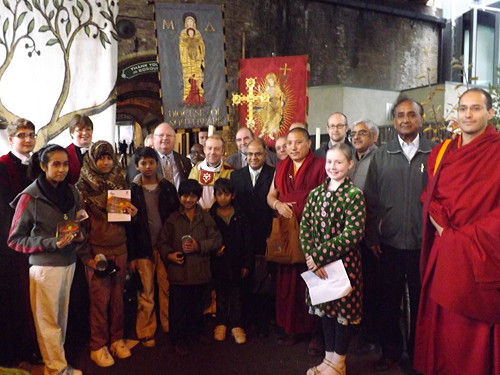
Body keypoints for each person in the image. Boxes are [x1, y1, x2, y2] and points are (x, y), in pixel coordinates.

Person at [414, 88, 500, 375]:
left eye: (476, 108)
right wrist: (442, 227)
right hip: (446, 249)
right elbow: (431, 195)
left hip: (480, 252)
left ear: (490, 113)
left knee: (472, 330)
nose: (468, 114)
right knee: (444, 322)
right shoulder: (442, 152)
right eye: (463, 108)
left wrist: (463, 237)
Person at [363, 98, 435, 371]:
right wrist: (372, 236)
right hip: (388, 243)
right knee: (388, 302)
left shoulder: (435, 153)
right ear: (393, 121)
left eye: (411, 114)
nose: (406, 119)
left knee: (421, 304)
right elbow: (370, 198)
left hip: (423, 244)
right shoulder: (382, 154)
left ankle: (419, 355)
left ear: (421, 118)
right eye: (400, 115)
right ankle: (391, 350)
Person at [8, 144, 88, 375]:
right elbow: (15, 239)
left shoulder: (72, 192)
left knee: (61, 319)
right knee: (47, 322)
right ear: (43, 166)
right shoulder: (30, 196)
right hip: (44, 267)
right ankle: (56, 369)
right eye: (55, 164)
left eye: (65, 164)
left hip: (69, 262)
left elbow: (77, 221)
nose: (61, 169)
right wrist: (51, 243)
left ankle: (58, 365)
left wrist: (79, 233)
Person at [300, 143, 366, 375]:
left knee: (342, 314)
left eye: (338, 162)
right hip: (318, 267)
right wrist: (311, 258)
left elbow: (353, 233)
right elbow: (305, 226)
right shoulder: (316, 193)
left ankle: (339, 362)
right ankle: (329, 359)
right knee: (326, 312)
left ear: (350, 164)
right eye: (329, 162)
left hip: (343, 266)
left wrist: (318, 256)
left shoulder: (354, 195)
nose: (333, 166)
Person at [76, 141, 138, 367]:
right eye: (101, 158)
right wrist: (86, 256)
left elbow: (126, 221)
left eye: (109, 157)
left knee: (118, 298)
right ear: (93, 159)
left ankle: (116, 339)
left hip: (119, 247)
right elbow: (78, 226)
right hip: (97, 251)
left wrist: (132, 213)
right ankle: (97, 345)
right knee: (99, 301)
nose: (105, 162)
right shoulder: (82, 188)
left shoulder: (119, 181)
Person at [267, 127, 327, 349]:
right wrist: (278, 204)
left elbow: (328, 195)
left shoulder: (321, 165)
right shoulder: (282, 166)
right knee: (288, 280)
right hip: (287, 231)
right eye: (289, 143)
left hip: (312, 231)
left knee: (312, 280)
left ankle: (315, 334)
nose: (293, 147)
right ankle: (291, 328)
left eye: (298, 142)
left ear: (309, 144)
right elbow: (271, 195)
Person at [158, 179, 222, 357]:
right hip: (179, 272)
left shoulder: (206, 217)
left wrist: (199, 246)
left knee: (198, 305)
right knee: (178, 308)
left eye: (193, 196)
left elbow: (217, 240)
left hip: (200, 271)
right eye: (185, 195)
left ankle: (196, 333)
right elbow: (162, 242)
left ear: (199, 197)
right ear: (179, 197)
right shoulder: (173, 218)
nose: (188, 199)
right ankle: (179, 339)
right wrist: (169, 254)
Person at [127, 147, 179, 347]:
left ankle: (167, 325)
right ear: (136, 165)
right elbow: (128, 227)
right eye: (143, 163)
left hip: (165, 247)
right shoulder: (131, 190)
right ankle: (146, 330)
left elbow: (175, 218)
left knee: (167, 288)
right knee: (146, 292)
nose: (148, 167)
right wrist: (132, 255)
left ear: (157, 163)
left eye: (151, 162)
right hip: (142, 248)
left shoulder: (167, 187)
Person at [0, 118, 38, 366]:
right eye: (22, 135)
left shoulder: (38, 165)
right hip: (10, 246)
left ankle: (34, 348)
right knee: (14, 298)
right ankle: (15, 352)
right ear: (11, 139)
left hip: (38, 242)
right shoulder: (2, 166)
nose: (27, 139)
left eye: (31, 135)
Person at [231, 138, 275, 335]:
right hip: (243, 236)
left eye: (258, 154)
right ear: (244, 155)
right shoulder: (236, 176)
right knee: (245, 277)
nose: (253, 158)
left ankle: (264, 320)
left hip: (266, 232)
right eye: (249, 154)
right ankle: (245, 319)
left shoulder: (273, 174)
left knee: (266, 277)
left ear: (265, 155)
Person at [347, 119, 380, 353]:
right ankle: (355, 332)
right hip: (351, 235)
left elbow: (379, 200)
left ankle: (371, 336)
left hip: (371, 234)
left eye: (362, 133)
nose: (356, 137)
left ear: (374, 137)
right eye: (354, 133)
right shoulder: (351, 158)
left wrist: (373, 235)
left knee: (372, 288)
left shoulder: (380, 159)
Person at [209, 178, 253, 344]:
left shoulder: (241, 215)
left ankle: (236, 325)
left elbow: (248, 241)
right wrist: (214, 252)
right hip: (218, 263)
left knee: (237, 294)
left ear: (233, 195)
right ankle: (221, 323)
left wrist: (247, 263)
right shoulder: (210, 215)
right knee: (220, 294)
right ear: (214, 195)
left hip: (237, 261)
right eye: (219, 194)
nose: (222, 198)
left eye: (226, 194)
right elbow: (207, 239)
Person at [127, 123, 191, 189]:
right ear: (154, 139)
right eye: (161, 135)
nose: (165, 138)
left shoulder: (184, 160)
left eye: (169, 135)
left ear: (175, 139)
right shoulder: (140, 160)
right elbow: (133, 186)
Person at [189, 134, 233, 209]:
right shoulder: (196, 169)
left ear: (222, 151)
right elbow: (189, 193)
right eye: (209, 148)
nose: (212, 152)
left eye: (217, 149)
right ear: (204, 150)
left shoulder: (229, 171)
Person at [179, 13, 205, 103]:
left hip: (196, 59)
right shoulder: (183, 33)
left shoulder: (197, 33)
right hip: (187, 59)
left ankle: (199, 97)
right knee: (187, 78)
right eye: (188, 23)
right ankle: (187, 97)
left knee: (198, 77)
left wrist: (200, 56)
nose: (190, 24)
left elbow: (202, 46)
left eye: (191, 23)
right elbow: (181, 46)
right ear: (186, 24)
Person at [66, 115, 93, 185]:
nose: (84, 133)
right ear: (71, 133)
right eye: (80, 130)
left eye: (88, 129)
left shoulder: (101, 150)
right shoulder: (64, 154)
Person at [259, 72, 285, 139]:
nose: (270, 81)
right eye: (269, 80)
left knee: (275, 118)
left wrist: (282, 101)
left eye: (271, 80)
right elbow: (264, 95)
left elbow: (281, 95)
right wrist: (259, 90)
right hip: (269, 104)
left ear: (274, 80)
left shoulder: (277, 87)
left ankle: (271, 133)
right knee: (268, 118)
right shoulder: (267, 88)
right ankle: (263, 132)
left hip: (276, 104)